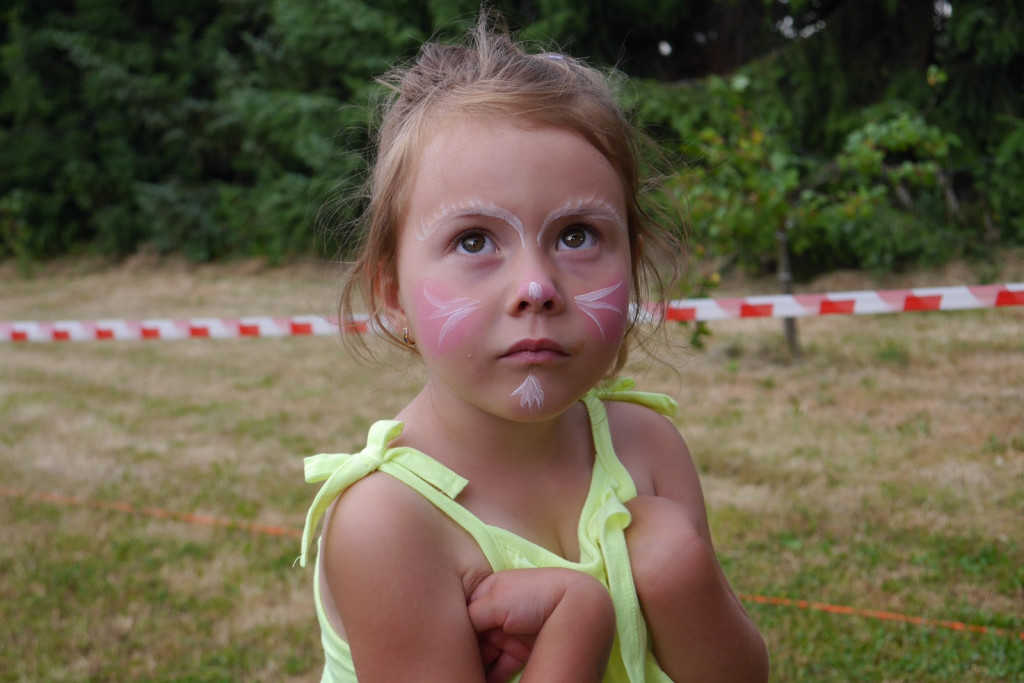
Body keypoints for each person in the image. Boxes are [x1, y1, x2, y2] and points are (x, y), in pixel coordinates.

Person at [299, 10, 769, 682]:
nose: (536, 286)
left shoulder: (647, 445)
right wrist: (578, 619)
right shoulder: (388, 522)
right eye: (473, 241)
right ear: (393, 294)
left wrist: (683, 576)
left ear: (632, 264)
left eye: (577, 234)